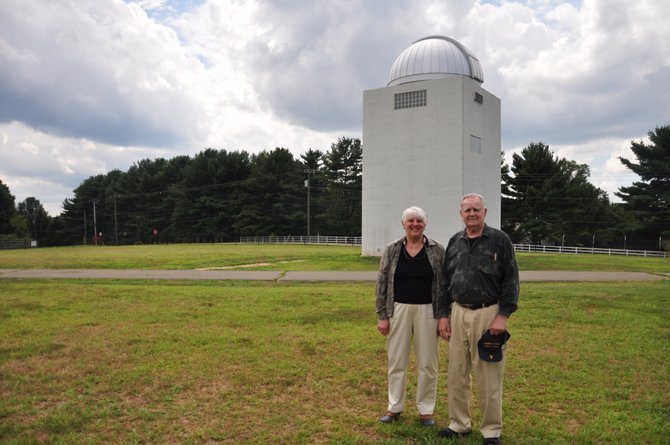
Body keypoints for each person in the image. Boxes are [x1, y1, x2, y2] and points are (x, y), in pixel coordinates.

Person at [437, 193, 519, 445]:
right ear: (460, 213)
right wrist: (443, 315)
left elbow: (511, 280)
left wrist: (502, 316)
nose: (472, 213)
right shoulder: (454, 241)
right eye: (467, 210)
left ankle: (491, 430)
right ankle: (459, 424)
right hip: (458, 312)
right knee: (457, 373)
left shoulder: (500, 241)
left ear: (485, 212)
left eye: (476, 209)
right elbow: (444, 281)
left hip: (488, 314)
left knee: (488, 375)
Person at [375, 206, 445, 427]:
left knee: (428, 363)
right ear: (403, 224)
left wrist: (444, 315)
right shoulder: (392, 249)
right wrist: (382, 315)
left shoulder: (437, 250)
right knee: (397, 361)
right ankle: (394, 407)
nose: (415, 224)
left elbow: (444, 285)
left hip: (428, 311)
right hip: (397, 310)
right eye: (410, 221)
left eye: (419, 221)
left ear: (425, 224)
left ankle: (426, 411)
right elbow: (382, 282)